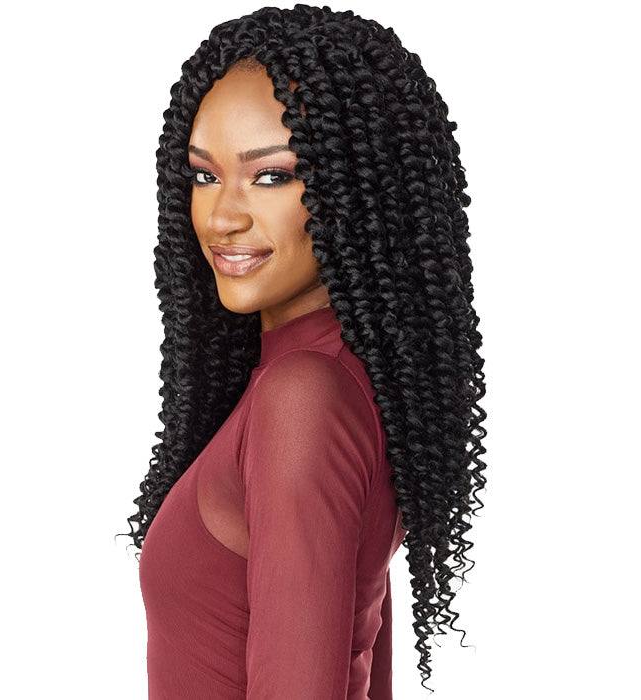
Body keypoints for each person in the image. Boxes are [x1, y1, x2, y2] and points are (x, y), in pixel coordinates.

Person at [118, 4, 488, 697]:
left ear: (359, 190)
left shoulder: (304, 398)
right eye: (203, 175)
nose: (222, 216)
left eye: (270, 175)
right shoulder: (341, 381)